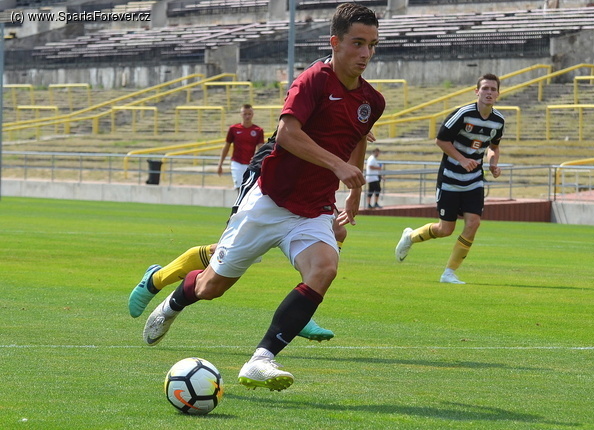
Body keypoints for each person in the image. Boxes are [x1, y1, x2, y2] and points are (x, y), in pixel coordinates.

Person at [142, 3, 385, 392]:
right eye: (358, 43)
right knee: (211, 287)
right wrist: (338, 166)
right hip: (270, 198)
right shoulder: (313, 81)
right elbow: (287, 134)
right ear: (335, 42)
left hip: (313, 208)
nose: (366, 53)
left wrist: (354, 191)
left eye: (372, 45)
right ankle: (173, 304)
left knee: (324, 268)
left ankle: (261, 359)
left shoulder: (372, 100)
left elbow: (358, 137)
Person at [128, 137, 340, 342]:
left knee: (337, 232)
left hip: (311, 183)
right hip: (271, 172)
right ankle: (157, 279)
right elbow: (289, 131)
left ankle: (301, 312)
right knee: (221, 253)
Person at [394, 73, 504, 284]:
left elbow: (494, 146)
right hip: (450, 178)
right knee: (445, 229)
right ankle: (410, 236)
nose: (489, 92)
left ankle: (449, 273)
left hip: (474, 180)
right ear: (477, 91)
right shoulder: (463, 114)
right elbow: (441, 140)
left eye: (493, 89)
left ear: (498, 93)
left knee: (473, 223)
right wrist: (462, 160)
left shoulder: (498, 120)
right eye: (485, 88)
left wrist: (493, 163)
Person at [217, 104, 264, 191]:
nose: (247, 116)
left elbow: (260, 149)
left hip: (251, 164)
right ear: (241, 114)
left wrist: (260, 164)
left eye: (249, 114)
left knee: (249, 188)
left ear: (252, 115)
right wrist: (220, 164)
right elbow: (226, 146)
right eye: (245, 114)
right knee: (239, 188)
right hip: (237, 163)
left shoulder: (258, 130)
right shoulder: (233, 129)